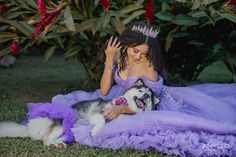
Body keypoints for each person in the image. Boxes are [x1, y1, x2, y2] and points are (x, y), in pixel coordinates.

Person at [26, 22, 236, 156]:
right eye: (135, 51)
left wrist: (122, 108)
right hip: (123, 97)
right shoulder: (120, 56)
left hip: (151, 101)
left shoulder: (148, 65)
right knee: (87, 109)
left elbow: (146, 98)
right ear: (126, 44)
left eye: (143, 54)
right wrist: (109, 60)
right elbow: (105, 91)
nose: (137, 56)